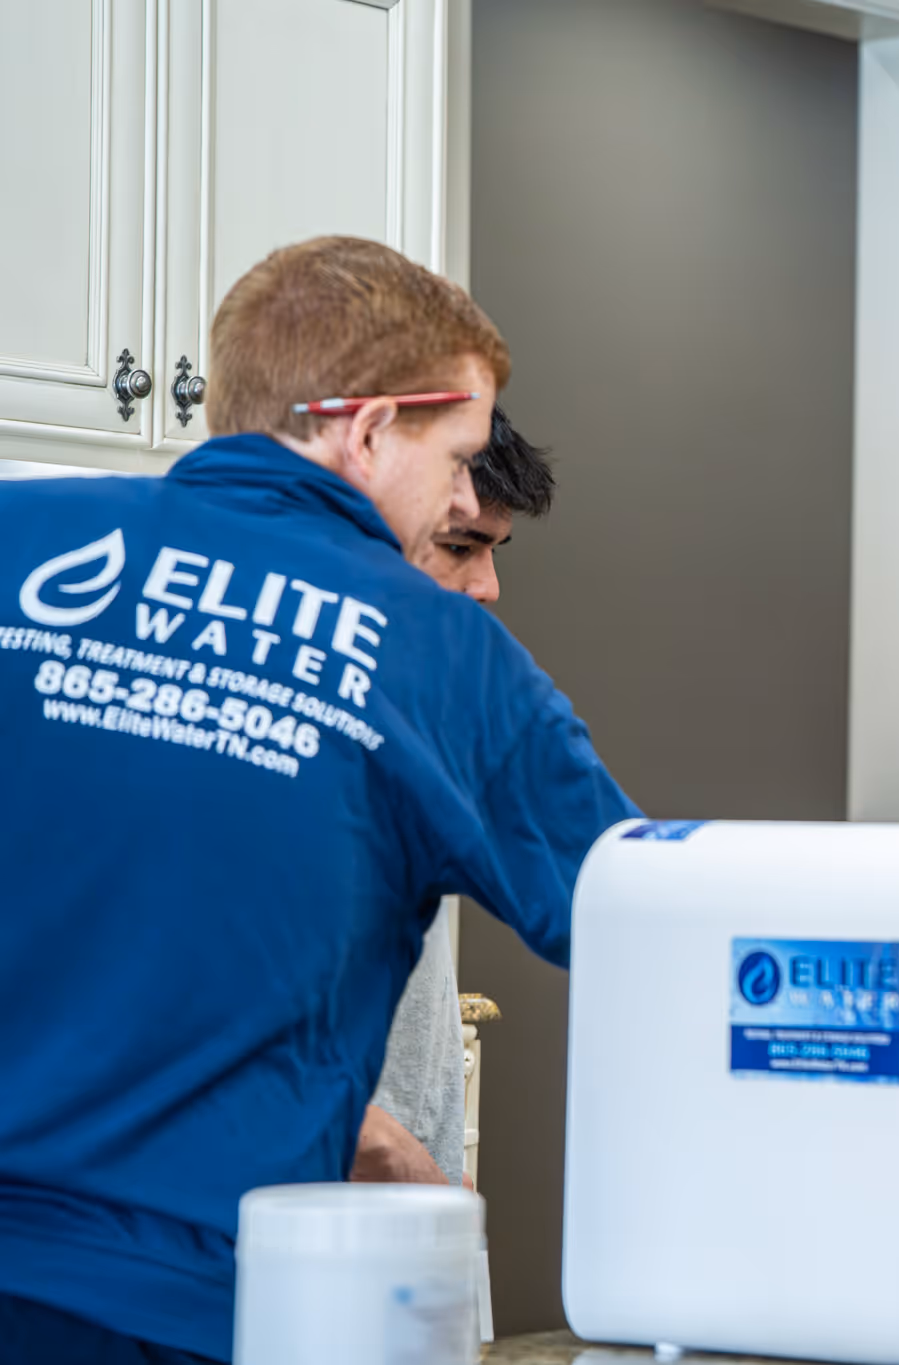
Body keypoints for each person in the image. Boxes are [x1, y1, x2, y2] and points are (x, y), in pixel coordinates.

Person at [0, 236, 639, 1363]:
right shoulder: (443, 655)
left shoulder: (20, 542)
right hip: (194, 1312)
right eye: (458, 457)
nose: (461, 496)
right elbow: (654, 915)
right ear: (370, 427)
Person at [353, 407, 559, 1189]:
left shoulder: (423, 708)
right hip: (316, 1224)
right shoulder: (265, 728)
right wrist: (395, 1159)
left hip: (407, 1211)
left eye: (495, 551)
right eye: (459, 546)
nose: (489, 586)